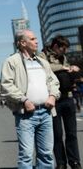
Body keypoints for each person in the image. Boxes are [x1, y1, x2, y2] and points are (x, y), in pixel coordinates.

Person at [1, 29, 60, 169]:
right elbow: (6, 85)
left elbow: (53, 81)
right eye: (33, 39)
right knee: (26, 155)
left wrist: (52, 96)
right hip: (26, 115)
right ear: (22, 43)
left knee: (46, 154)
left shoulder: (42, 61)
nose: (37, 41)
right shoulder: (12, 61)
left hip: (46, 112)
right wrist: (24, 100)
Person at [41, 35, 81, 169]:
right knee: (57, 134)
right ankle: (61, 163)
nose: (65, 53)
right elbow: (45, 69)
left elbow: (65, 68)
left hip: (68, 98)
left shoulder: (63, 58)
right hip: (53, 101)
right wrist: (64, 68)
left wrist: (72, 69)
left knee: (71, 134)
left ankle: (74, 162)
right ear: (56, 46)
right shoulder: (42, 55)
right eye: (63, 49)